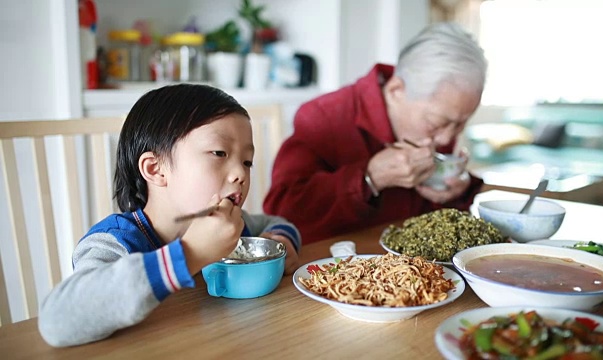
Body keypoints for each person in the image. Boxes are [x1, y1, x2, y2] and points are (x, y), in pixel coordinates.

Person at [38, 84, 301, 347]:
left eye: (247, 162)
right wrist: (190, 253)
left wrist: (280, 239)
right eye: (219, 153)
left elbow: (274, 222)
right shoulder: (117, 242)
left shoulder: (231, 228)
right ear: (156, 169)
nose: (241, 174)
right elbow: (56, 321)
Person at [263, 22, 487, 244]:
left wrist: (459, 189)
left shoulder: (438, 116)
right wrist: (370, 177)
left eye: (461, 124)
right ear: (396, 90)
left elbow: (440, 224)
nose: (447, 138)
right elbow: (283, 212)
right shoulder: (323, 117)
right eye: (438, 123)